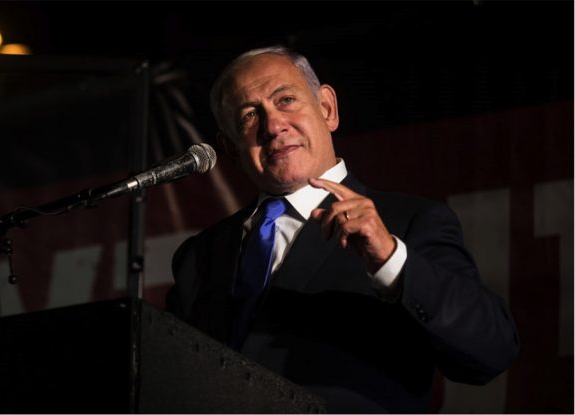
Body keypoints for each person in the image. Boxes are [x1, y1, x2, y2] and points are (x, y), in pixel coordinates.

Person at [167, 46, 519, 413]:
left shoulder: (407, 222)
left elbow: (492, 350)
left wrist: (391, 260)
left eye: (286, 100)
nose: (273, 126)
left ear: (327, 108)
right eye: (250, 115)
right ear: (230, 148)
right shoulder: (199, 256)